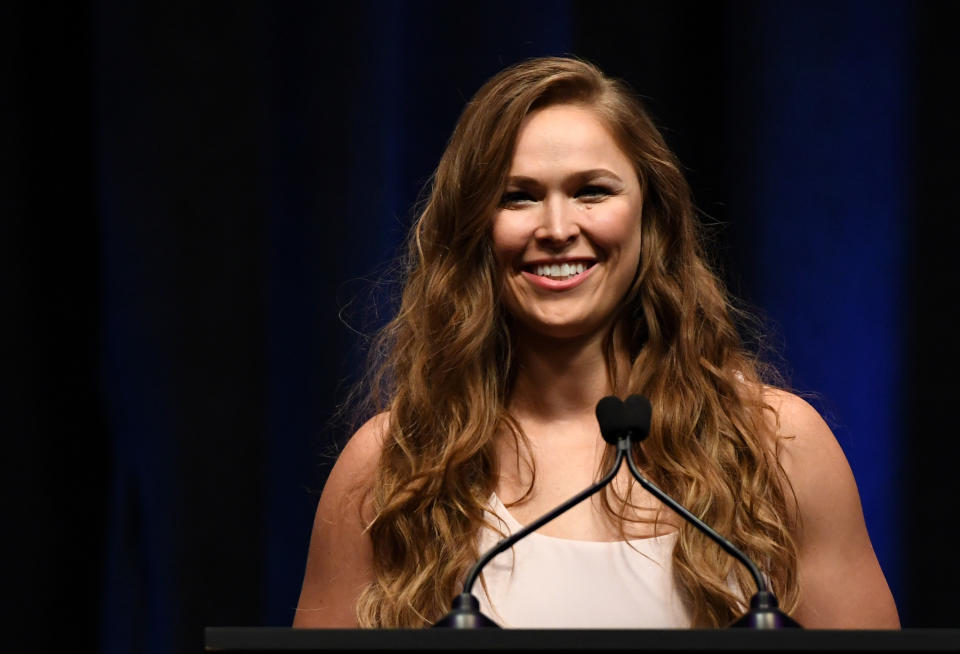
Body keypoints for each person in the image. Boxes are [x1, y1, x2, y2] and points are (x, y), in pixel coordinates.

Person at [293, 56, 899, 629]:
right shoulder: (392, 464)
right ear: (474, 227)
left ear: (650, 217)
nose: (557, 230)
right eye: (519, 196)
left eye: (592, 192)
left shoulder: (777, 446)